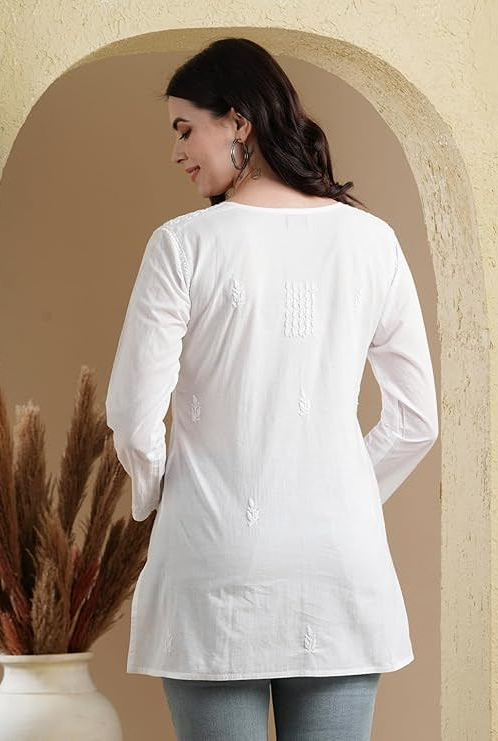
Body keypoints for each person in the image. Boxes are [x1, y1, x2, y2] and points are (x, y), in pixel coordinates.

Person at [105, 37, 439, 741]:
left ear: (239, 122)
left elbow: (133, 418)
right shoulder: (373, 241)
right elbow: (416, 421)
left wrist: (158, 494)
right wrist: (343, 491)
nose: (176, 151)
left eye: (185, 129)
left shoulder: (182, 245)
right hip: (339, 564)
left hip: (212, 561)